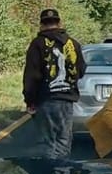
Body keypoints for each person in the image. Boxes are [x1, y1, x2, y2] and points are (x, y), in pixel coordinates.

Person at [23, 8, 86, 159]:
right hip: (66, 100)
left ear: (41, 24)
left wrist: (29, 101)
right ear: (59, 23)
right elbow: (81, 70)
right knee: (63, 141)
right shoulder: (73, 44)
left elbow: (31, 76)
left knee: (47, 143)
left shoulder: (37, 44)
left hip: (45, 99)